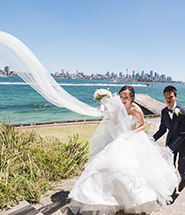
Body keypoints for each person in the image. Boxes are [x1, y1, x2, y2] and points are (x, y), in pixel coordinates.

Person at [69, 86, 178, 214]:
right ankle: (104, 196)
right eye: (121, 97)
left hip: (132, 138)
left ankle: (132, 198)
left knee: (131, 169)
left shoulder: (136, 109)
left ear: (132, 97)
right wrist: (108, 111)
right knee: (108, 165)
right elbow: (115, 121)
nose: (123, 99)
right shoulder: (119, 107)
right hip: (119, 136)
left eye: (126, 97)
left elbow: (142, 125)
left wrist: (131, 133)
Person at [153, 86, 185, 193]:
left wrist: (169, 148)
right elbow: (162, 129)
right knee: (170, 167)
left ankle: (184, 180)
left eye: (170, 97)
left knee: (182, 169)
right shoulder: (164, 111)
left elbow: (183, 134)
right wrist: (152, 139)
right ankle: (172, 190)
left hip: (184, 145)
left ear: (175, 97)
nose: (168, 99)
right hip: (171, 142)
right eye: (166, 97)